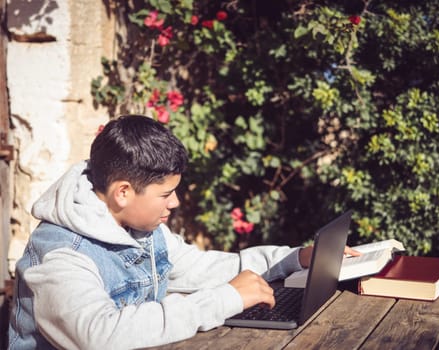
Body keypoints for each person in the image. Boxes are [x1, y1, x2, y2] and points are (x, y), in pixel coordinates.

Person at [8, 115, 358, 349]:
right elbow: (100, 335)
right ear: (123, 192)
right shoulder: (62, 255)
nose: (174, 203)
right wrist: (223, 299)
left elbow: (197, 268)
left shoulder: (138, 227)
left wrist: (292, 258)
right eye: (165, 194)